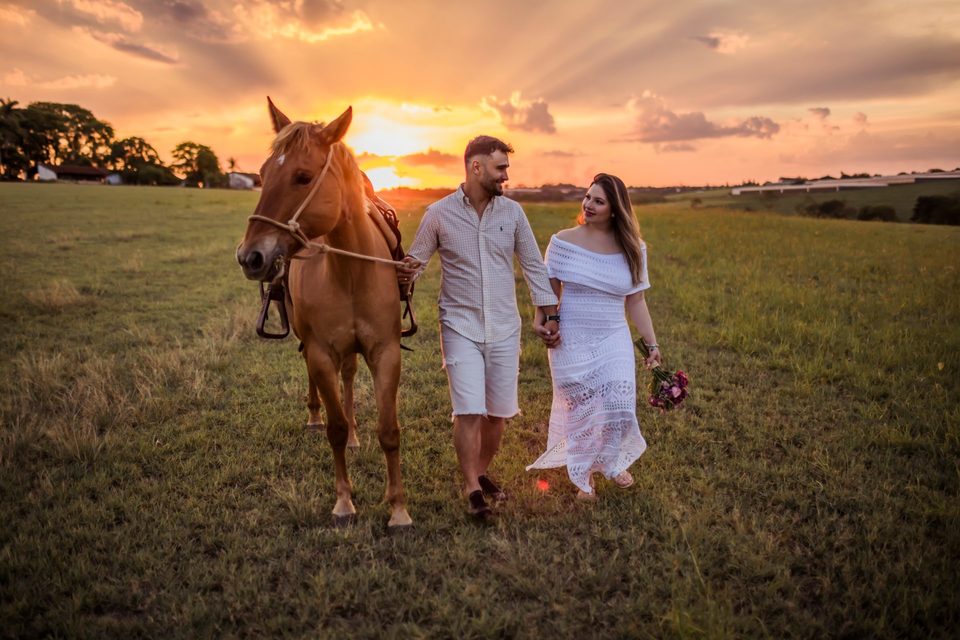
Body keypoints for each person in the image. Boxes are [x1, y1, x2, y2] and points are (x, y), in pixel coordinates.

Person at [397, 136, 560, 519]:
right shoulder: (438, 214)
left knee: (498, 414)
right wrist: (406, 273)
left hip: (504, 326)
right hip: (459, 325)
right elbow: (415, 263)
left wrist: (549, 313)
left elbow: (534, 266)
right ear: (475, 167)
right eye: (500, 167)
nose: (506, 174)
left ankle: (481, 471)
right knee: (469, 410)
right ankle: (473, 488)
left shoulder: (514, 214)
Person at [526, 173, 660, 500]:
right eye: (587, 197)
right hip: (571, 336)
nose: (588, 205)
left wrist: (652, 345)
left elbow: (637, 301)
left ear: (615, 209)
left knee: (617, 401)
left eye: (598, 201)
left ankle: (611, 461)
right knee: (581, 407)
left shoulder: (633, 249)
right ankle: (584, 477)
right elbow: (547, 292)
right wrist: (539, 323)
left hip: (613, 335)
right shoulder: (562, 242)